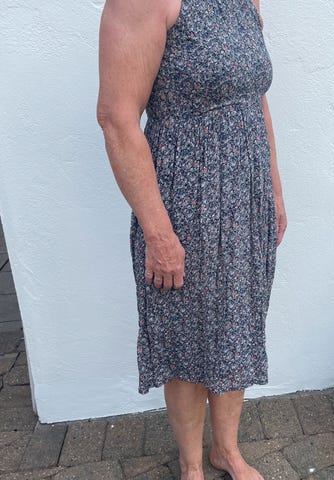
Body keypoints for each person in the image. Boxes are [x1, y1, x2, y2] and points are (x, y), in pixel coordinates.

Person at [97, 0, 287, 478]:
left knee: (237, 324)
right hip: (184, 200)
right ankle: (191, 466)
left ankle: (227, 450)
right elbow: (116, 119)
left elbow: (255, 97)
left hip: (245, 195)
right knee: (186, 333)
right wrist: (158, 232)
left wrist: (274, 191)